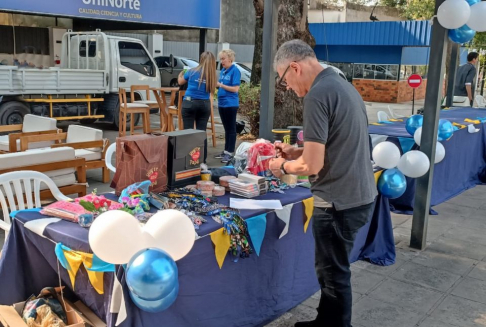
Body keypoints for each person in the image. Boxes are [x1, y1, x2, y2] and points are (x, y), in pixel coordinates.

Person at [268, 39, 377, 327]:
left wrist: (283, 165)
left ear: (295, 67)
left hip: (337, 201)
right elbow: (337, 144)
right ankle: (325, 321)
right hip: (358, 194)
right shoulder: (341, 84)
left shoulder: (318, 94)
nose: (288, 88)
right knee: (332, 270)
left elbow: (311, 166)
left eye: (284, 80)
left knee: (333, 275)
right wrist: (297, 151)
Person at [178, 51, 217, 163]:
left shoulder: (191, 71)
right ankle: (202, 160)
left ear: (201, 60)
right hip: (204, 105)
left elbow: (180, 82)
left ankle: (188, 160)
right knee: (201, 132)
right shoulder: (212, 76)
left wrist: (181, 73)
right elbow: (211, 93)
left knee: (188, 132)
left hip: (189, 103)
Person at [215, 49, 241, 163]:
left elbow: (235, 89)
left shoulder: (235, 71)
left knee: (231, 129)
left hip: (230, 103)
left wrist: (220, 85)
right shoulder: (223, 71)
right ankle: (226, 151)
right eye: (221, 59)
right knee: (226, 128)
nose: (222, 61)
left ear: (230, 59)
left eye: (223, 59)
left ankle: (230, 152)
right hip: (222, 103)